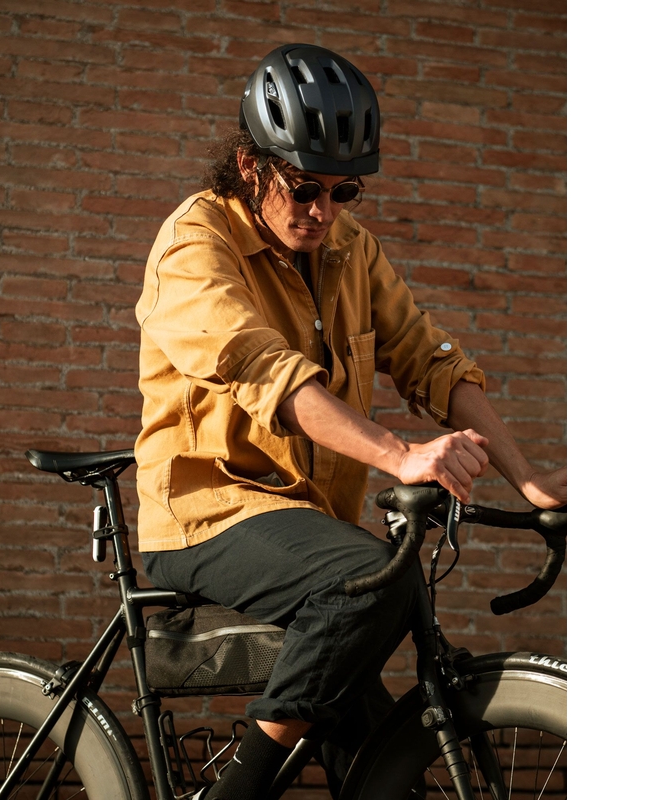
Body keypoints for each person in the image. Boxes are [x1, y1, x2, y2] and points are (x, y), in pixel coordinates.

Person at [134, 43, 566, 800]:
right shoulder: (194, 245)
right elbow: (266, 370)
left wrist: (529, 480)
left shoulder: (348, 250)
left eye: (345, 192)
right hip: (206, 515)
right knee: (367, 578)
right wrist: (401, 455)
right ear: (250, 166)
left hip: (307, 526)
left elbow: (428, 357)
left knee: (380, 764)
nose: (323, 212)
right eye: (304, 188)